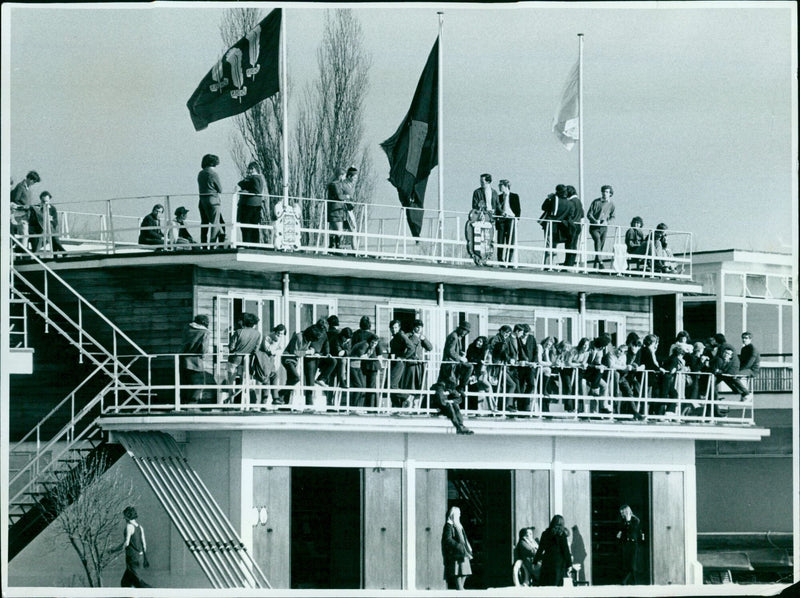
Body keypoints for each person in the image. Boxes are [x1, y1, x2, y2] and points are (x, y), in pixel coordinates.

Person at [280, 325, 323, 406]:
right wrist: (308, 352)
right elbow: (295, 352)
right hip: (288, 358)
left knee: (290, 380)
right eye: (312, 339)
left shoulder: (308, 339)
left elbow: (303, 350)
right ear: (310, 335)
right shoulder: (298, 337)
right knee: (296, 378)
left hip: (294, 360)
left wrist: (312, 350)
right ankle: (279, 394)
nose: (311, 341)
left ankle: (285, 404)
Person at [225, 312, 262, 403]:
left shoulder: (238, 332)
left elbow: (231, 347)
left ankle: (231, 400)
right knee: (244, 382)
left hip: (234, 359)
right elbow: (256, 349)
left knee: (231, 382)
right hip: (247, 360)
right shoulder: (258, 334)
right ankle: (244, 402)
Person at [533, 515, 572, 586]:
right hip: (558, 564)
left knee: (546, 585)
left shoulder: (545, 533)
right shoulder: (561, 534)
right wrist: (569, 565)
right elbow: (565, 551)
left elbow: (540, 549)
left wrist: (535, 561)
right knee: (556, 587)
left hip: (547, 562)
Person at [180, 314, 212, 403]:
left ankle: (184, 404)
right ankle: (191, 404)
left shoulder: (187, 329)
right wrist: (204, 355)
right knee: (200, 384)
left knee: (186, 384)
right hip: (196, 361)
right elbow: (204, 349)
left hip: (184, 359)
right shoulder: (205, 332)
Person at [441, 506, 473, 589]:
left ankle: (461, 587)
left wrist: (467, 546)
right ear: (453, 515)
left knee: (465, 571)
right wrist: (458, 546)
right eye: (458, 514)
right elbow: (447, 539)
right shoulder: (449, 525)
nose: (459, 516)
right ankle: (460, 588)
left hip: (463, 550)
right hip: (457, 551)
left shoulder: (459, 525)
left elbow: (464, 538)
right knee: (459, 571)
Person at [253, 324, 286, 405]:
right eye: (278, 333)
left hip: (271, 360)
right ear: (275, 331)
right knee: (266, 379)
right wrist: (275, 343)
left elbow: (281, 350)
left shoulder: (281, 339)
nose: (280, 335)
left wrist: (276, 350)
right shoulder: (268, 337)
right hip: (263, 359)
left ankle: (275, 398)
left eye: (282, 334)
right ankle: (263, 403)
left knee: (274, 376)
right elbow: (269, 350)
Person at [402, 320, 433, 407]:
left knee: (420, 385)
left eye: (420, 327)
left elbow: (430, 348)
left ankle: (416, 405)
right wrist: (416, 337)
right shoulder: (409, 336)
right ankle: (408, 405)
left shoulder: (422, 337)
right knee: (411, 385)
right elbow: (409, 346)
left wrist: (424, 339)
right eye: (417, 327)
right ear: (414, 328)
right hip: (411, 364)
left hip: (419, 365)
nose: (419, 329)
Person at [236, 161, 268, 244]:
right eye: (249, 168)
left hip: (250, 205)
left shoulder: (255, 178)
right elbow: (240, 183)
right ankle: (254, 244)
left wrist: (245, 191)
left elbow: (257, 190)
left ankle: (247, 243)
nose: (250, 170)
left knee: (247, 225)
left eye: (251, 168)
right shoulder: (254, 178)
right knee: (253, 225)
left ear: (255, 169)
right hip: (254, 205)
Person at [197, 153, 225, 247]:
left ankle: (204, 244)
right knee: (216, 223)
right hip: (213, 200)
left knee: (204, 223)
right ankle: (213, 244)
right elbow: (220, 189)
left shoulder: (200, 173)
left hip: (202, 200)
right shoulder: (213, 174)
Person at [119, 506, 150, 588]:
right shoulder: (140, 527)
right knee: (125, 582)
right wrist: (144, 557)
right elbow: (144, 545)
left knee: (137, 582)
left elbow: (126, 543)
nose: (124, 518)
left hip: (131, 557)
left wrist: (114, 550)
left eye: (124, 515)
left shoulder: (129, 527)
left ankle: (153, 592)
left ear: (127, 516)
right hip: (139, 557)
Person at [488, 325, 518, 411]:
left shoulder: (507, 340)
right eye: (505, 332)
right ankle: (505, 406)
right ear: (501, 331)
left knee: (503, 386)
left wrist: (513, 359)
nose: (507, 334)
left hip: (505, 367)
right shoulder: (495, 339)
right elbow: (498, 352)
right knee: (511, 385)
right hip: (497, 368)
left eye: (508, 333)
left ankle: (503, 407)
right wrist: (508, 359)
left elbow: (511, 351)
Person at [350, 331, 382, 408]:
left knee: (364, 387)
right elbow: (361, 356)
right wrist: (367, 355)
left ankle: (366, 407)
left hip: (364, 366)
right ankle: (355, 407)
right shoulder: (365, 344)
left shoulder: (369, 345)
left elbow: (379, 354)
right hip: (356, 365)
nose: (374, 345)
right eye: (372, 343)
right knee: (361, 386)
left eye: (375, 343)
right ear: (369, 341)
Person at [587, 185, 616, 269]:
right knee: (597, 241)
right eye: (603, 191)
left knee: (600, 246)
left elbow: (613, 216)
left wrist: (607, 222)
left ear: (610, 193)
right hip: (594, 227)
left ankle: (595, 265)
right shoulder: (596, 202)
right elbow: (589, 214)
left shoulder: (612, 204)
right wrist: (595, 220)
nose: (604, 193)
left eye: (607, 192)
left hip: (604, 228)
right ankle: (600, 262)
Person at [540, 184, 570, 265]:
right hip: (560, 227)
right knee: (554, 246)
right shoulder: (568, 202)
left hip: (551, 225)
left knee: (548, 245)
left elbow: (544, 207)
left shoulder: (555, 199)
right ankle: (554, 264)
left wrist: (548, 199)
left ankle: (547, 265)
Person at [10, 170, 41, 250]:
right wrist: (23, 206)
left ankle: (21, 251)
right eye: (34, 181)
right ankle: (23, 251)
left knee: (23, 234)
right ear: (30, 179)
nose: (33, 183)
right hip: (19, 214)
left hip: (26, 214)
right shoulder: (20, 186)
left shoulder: (28, 188)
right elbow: (15, 199)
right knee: (24, 234)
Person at [440, 322, 474, 392]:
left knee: (469, 367)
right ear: (460, 328)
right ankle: (460, 388)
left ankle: (461, 387)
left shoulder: (458, 336)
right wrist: (460, 358)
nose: (465, 333)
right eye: (464, 330)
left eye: (467, 331)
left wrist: (461, 353)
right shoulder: (454, 336)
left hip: (454, 364)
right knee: (450, 385)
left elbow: (455, 349)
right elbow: (450, 351)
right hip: (449, 365)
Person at [388, 319, 414, 408]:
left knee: (392, 385)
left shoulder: (401, 336)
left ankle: (408, 397)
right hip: (393, 363)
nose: (393, 329)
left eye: (395, 327)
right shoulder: (394, 339)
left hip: (399, 363)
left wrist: (403, 357)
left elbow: (411, 347)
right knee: (390, 385)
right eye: (392, 328)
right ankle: (396, 406)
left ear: (399, 328)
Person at [495, 179, 521, 262]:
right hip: (502, 220)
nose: (499, 187)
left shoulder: (514, 196)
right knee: (500, 240)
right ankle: (500, 260)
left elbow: (518, 209)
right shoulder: (499, 197)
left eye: (500, 185)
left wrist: (516, 219)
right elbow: (497, 209)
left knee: (510, 241)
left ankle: (508, 260)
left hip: (511, 220)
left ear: (506, 186)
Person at [616, 505, 641, 585]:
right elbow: (621, 530)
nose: (621, 515)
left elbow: (633, 531)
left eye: (622, 513)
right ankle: (634, 582)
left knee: (632, 563)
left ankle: (624, 581)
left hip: (633, 543)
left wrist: (628, 521)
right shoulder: (623, 521)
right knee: (626, 563)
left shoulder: (635, 520)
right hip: (626, 543)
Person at [326, 167, 348, 249]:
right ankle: (337, 246)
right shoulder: (335, 184)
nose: (345, 178)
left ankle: (331, 246)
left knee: (332, 228)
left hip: (333, 209)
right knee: (339, 229)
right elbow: (339, 196)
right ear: (341, 175)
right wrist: (347, 196)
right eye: (344, 176)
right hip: (336, 209)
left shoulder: (332, 184)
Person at [562, 185, 584, 267]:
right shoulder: (578, 201)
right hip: (577, 226)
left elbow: (569, 215)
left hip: (572, 226)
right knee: (573, 245)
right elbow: (582, 214)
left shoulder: (571, 202)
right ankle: (570, 263)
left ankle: (568, 264)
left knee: (569, 245)